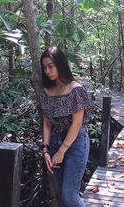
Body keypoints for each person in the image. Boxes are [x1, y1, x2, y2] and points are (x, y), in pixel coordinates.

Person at [39, 47, 93, 207]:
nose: (47, 71)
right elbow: (47, 123)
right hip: (54, 143)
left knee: (69, 196)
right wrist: (46, 150)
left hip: (75, 143)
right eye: (44, 67)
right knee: (62, 197)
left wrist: (62, 151)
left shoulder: (75, 90)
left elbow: (77, 124)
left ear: (60, 64)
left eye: (51, 66)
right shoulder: (47, 91)